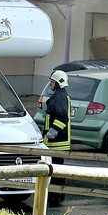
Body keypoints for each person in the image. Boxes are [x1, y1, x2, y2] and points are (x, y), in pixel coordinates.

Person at [43, 69, 71, 206]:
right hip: (56, 141)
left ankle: (56, 196)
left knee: (56, 170)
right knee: (56, 169)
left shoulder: (60, 97)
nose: (50, 84)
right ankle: (55, 195)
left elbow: (62, 117)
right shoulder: (60, 95)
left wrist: (52, 132)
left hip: (57, 142)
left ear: (59, 83)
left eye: (52, 82)